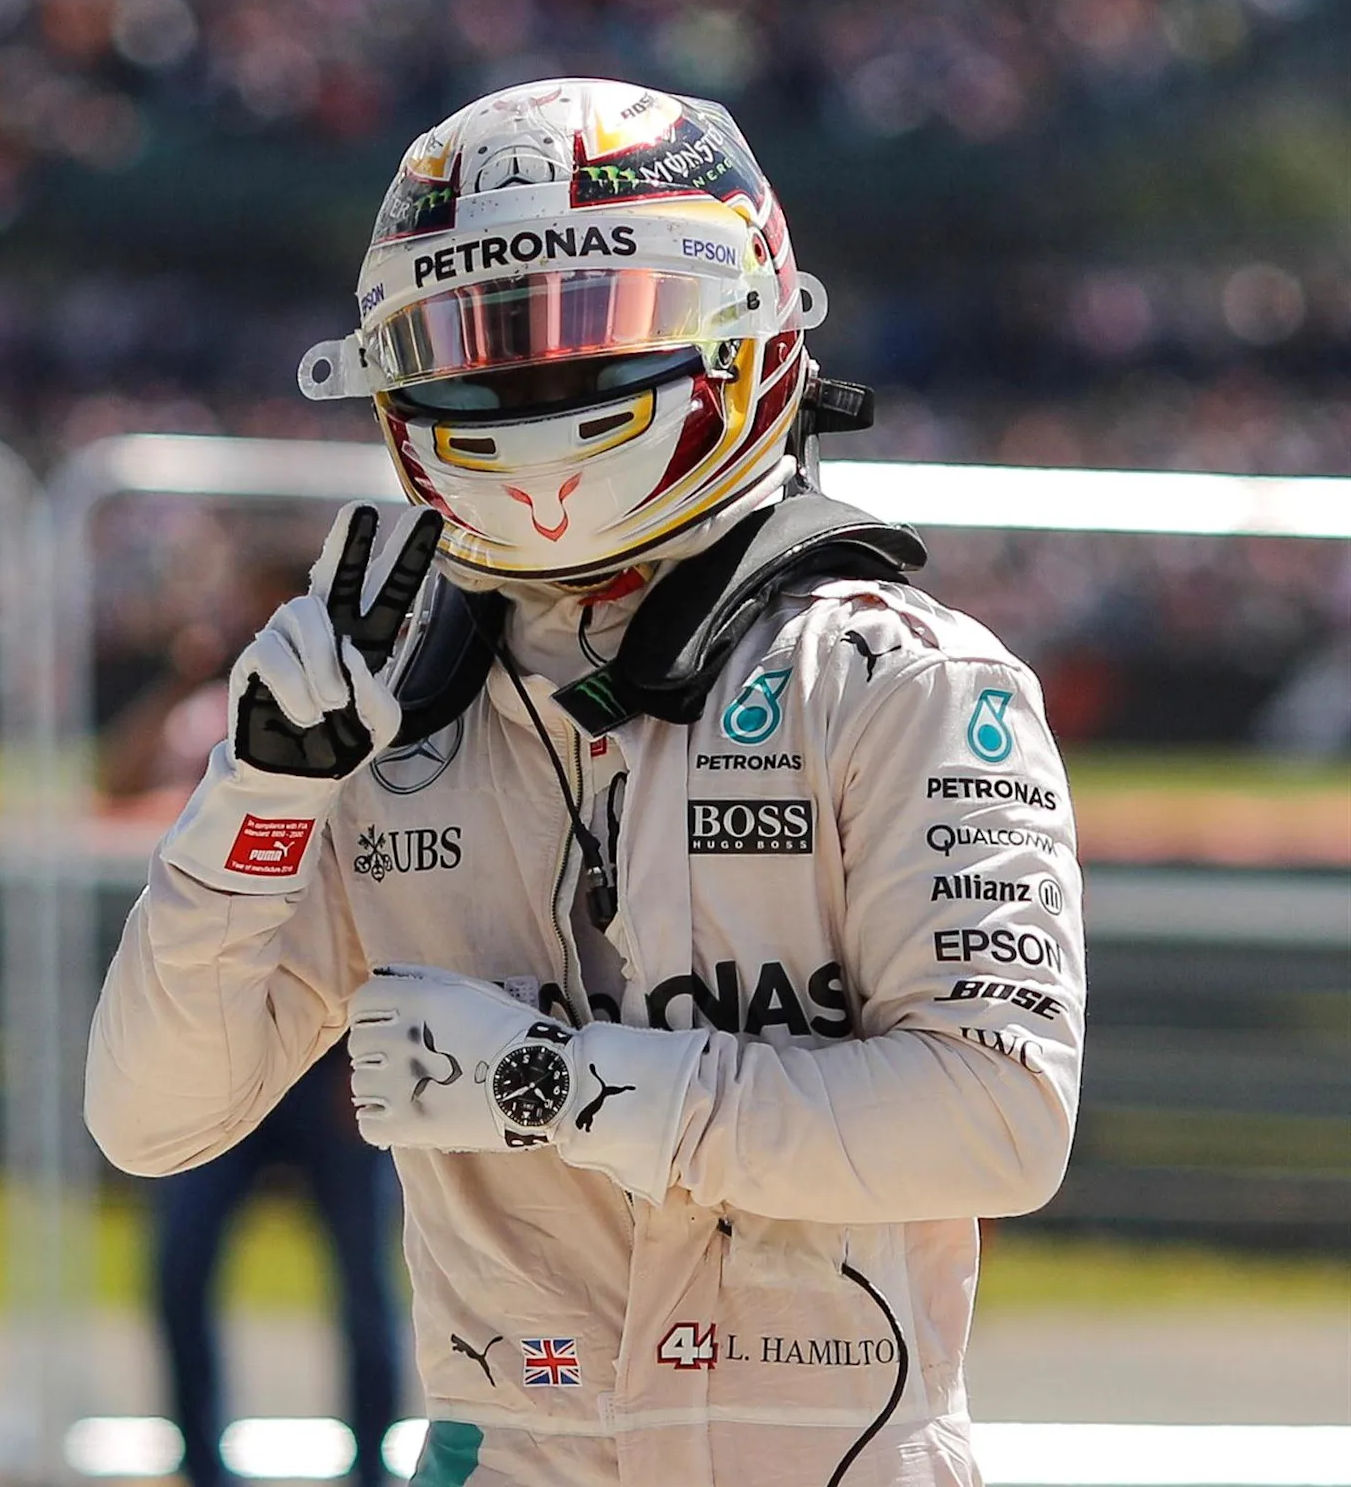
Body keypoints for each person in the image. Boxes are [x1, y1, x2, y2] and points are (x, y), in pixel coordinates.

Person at [88, 79, 1085, 1487]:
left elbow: (1002, 1121)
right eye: (470, 345)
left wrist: (559, 1088)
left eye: (580, 338)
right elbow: (149, 1117)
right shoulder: (377, 709)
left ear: (742, 327)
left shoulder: (897, 678)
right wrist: (258, 797)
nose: (526, 391)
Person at [103, 599, 403, 1487]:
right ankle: (201, 1463)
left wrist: (364, 1060)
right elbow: (115, 780)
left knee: (364, 1281)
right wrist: (179, 677)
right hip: (217, 1042)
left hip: (326, 1052)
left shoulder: (365, 731)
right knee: (182, 1266)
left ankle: (375, 1465)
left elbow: (383, 896)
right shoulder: (201, 718)